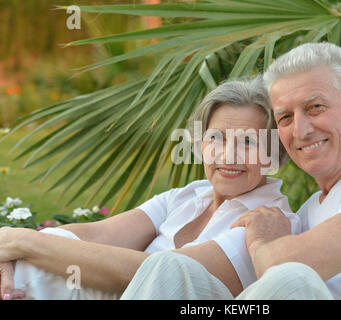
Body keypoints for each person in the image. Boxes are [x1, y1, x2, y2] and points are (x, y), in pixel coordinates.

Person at [121, 42, 341, 300]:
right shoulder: (310, 211)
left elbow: (285, 271)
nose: (301, 130)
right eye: (286, 117)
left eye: (315, 107)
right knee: (171, 268)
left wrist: (262, 241)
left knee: (294, 276)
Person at [0, 77, 300, 300]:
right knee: (48, 245)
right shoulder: (187, 197)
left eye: (247, 141)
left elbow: (158, 277)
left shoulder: (268, 222)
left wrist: (23, 241)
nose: (227, 154)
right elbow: (96, 235)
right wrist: (12, 252)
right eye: (217, 138)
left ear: (273, 154)